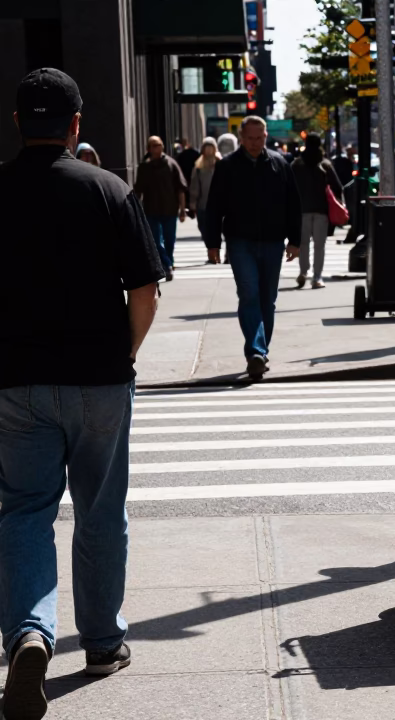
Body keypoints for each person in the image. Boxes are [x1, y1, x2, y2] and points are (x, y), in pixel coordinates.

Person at [0, 68, 163, 720]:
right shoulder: (108, 190)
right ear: (75, 126)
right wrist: (124, 351)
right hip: (98, 379)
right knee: (100, 512)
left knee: (24, 513)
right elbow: (146, 292)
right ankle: (101, 643)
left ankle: (30, 633)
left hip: (15, 383)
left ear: (17, 123)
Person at [205, 116, 302, 380]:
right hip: (240, 242)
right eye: (250, 138)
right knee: (249, 294)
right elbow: (213, 207)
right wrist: (212, 243)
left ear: (266, 137)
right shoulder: (227, 167)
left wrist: (295, 240)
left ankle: (261, 349)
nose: (256, 143)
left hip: (272, 242)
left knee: (267, 300)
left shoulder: (280, 164)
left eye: (260, 138)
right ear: (241, 137)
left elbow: (293, 204)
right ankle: (255, 352)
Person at [290, 135, 345, 289]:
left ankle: (303, 271)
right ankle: (317, 277)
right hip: (321, 210)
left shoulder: (296, 164)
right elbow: (338, 186)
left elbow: (289, 187)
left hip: (302, 210)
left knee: (303, 243)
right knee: (319, 246)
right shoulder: (325, 164)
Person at [133, 136, 186, 282]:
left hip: (170, 210)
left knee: (170, 240)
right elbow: (138, 191)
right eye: (154, 146)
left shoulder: (171, 164)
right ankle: (167, 265)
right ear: (148, 149)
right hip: (151, 211)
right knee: (156, 241)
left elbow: (180, 188)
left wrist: (182, 209)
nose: (158, 148)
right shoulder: (144, 167)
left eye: (160, 145)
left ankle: (168, 261)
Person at [188, 137, 221, 265]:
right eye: (206, 147)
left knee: (218, 230)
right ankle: (211, 251)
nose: (208, 150)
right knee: (204, 229)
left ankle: (216, 253)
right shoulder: (198, 166)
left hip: (219, 205)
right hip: (203, 204)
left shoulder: (220, 163)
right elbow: (194, 186)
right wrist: (192, 203)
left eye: (211, 147)